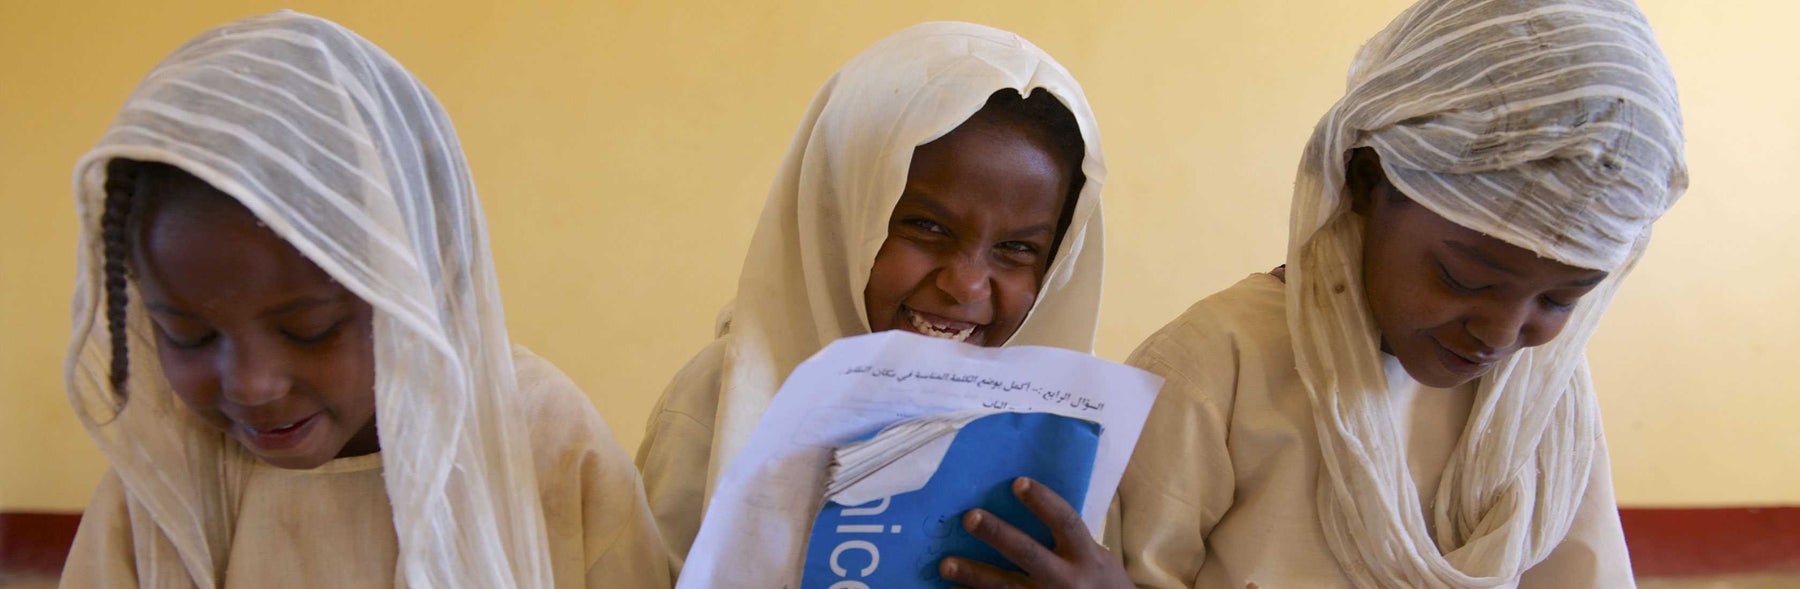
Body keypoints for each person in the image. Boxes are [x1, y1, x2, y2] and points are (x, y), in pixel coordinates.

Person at [59, 11, 668, 587]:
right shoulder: (161, 478)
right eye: (189, 336)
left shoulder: (544, 442)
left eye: (310, 329)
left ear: (416, 283)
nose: (252, 385)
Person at [1109, 0, 1687, 587]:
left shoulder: (1545, 396)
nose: (1501, 333)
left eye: (1559, 301)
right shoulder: (1216, 363)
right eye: (1464, 280)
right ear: (1365, 181)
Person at [632, 21, 1107, 580]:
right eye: (926, 226)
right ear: (840, 216)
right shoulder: (719, 401)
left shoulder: (1069, 441)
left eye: (1017, 248)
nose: (966, 285)